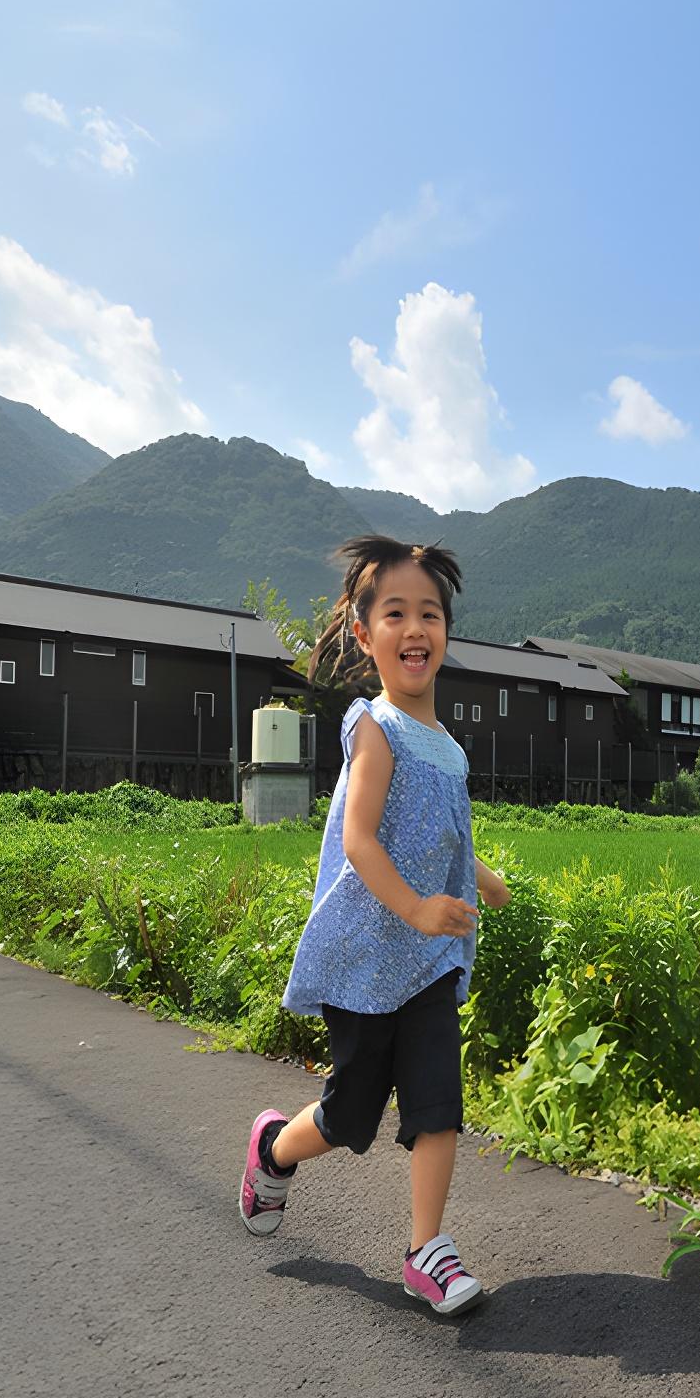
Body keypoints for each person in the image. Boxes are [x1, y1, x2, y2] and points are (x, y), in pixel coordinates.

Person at [238, 535, 511, 1315]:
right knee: (351, 1114)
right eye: (395, 612)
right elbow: (361, 839)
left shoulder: (451, 751)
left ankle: (426, 1249)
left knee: (436, 1100)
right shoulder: (376, 730)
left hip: (426, 964)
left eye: (430, 613)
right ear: (365, 634)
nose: (415, 626)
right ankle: (272, 1150)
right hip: (366, 959)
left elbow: (446, 840)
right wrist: (420, 908)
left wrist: (481, 882)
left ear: (446, 633)